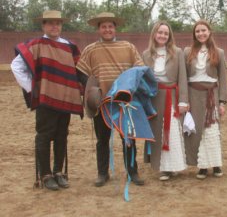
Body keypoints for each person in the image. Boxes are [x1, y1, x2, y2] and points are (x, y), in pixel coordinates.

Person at [11, 10, 83, 190]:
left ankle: (58, 172)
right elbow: (16, 66)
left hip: (65, 99)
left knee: (62, 135)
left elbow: (78, 70)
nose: (54, 26)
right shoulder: (36, 44)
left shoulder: (70, 47)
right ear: (43, 25)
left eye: (57, 23)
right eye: (50, 23)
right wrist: (32, 88)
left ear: (61, 25)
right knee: (44, 135)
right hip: (45, 100)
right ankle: (45, 174)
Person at [76, 12, 145, 187]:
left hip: (124, 102)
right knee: (102, 140)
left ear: (115, 28)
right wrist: (93, 90)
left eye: (110, 26)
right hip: (101, 103)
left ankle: (133, 172)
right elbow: (81, 72)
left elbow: (138, 70)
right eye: (103, 26)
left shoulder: (128, 47)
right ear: (98, 29)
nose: (107, 29)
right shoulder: (90, 49)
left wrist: (129, 89)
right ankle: (102, 173)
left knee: (128, 139)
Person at [142, 21, 189, 181]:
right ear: (154, 34)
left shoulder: (177, 52)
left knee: (172, 131)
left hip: (171, 96)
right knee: (158, 132)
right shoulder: (146, 54)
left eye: (166, 33)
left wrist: (183, 100)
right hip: (154, 97)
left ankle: (173, 166)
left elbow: (182, 77)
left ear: (169, 36)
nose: (162, 35)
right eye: (160, 32)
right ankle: (162, 167)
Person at [183, 20, 227, 179]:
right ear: (194, 34)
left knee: (212, 130)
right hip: (193, 94)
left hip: (211, 95)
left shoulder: (219, 52)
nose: (201, 34)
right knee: (198, 131)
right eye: (197, 31)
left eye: (204, 30)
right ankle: (202, 166)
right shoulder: (187, 51)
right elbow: (184, 77)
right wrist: (184, 99)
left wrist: (222, 102)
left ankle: (215, 164)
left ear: (209, 32)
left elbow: (223, 78)